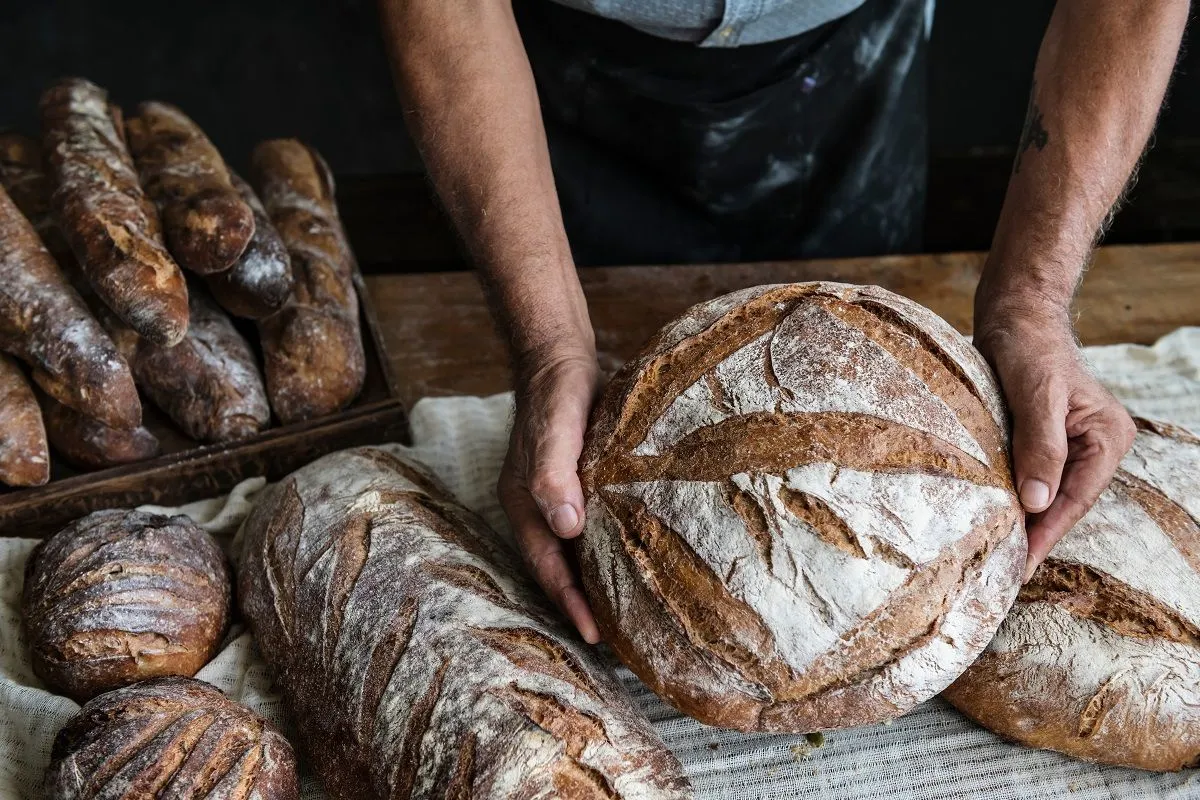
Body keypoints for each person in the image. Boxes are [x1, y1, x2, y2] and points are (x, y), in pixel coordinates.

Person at [379, 0, 1189, 643]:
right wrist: (549, 344)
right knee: (597, 443)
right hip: (538, 79)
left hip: (851, 52)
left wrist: (1032, 303)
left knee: (859, 366)